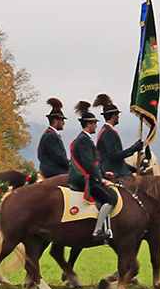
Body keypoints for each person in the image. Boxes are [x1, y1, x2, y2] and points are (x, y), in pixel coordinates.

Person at [68, 100, 114, 242]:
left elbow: (92, 163)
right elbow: (88, 163)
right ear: (89, 124)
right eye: (94, 123)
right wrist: (101, 179)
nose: (96, 126)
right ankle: (97, 231)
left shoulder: (84, 139)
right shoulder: (83, 140)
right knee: (110, 199)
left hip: (88, 176)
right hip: (81, 178)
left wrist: (104, 173)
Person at [93, 94, 145, 179]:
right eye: (117, 116)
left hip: (117, 170)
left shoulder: (106, 131)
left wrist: (135, 169)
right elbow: (114, 156)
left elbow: (120, 162)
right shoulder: (108, 132)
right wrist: (133, 149)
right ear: (114, 116)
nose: (118, 118)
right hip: (113, 173)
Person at [37, 99, 70, 181]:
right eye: (62, 120)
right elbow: (58, 157)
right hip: (52, 170)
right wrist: (71, 165)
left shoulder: (51, 134)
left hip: (54, 169)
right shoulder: (51, 136)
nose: (63, 123)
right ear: (55, 120)